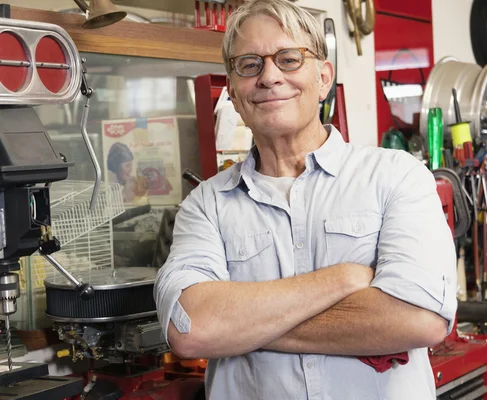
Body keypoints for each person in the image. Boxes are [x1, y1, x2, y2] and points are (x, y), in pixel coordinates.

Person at [154, 0, 457, 398]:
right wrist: (342, 279)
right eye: (249, 64)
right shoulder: (205, 206)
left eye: (289, 59)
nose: (269, 77)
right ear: (231, 87)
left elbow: (420, 319)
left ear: (324, 77)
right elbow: (191, 329)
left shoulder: (397, 176)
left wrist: (243, 330)